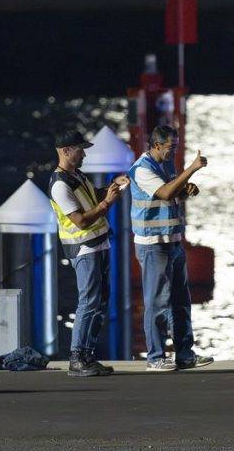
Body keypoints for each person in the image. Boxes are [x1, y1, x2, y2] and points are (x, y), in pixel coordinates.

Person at [127, 125, 214, 371]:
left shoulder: (165, 165)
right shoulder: (142, 169)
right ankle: (155, 358)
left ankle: (185, 354)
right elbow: (165, 193)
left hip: (172, 242)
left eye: (176, 147)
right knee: (157, 303)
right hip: (153, 245)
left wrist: (185, 191)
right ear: (156, 145)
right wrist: (192, 169)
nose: (174, 151)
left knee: (180, 302)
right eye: (170, 147)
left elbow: (172, 195)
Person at [49, 130, 128, 377]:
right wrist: (108, 203)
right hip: (84, 248)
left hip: (99, 245)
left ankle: (87, 355)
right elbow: (81, 221)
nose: (84, 154)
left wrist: (113, 186)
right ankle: (77, 359)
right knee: (89, 302)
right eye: (80, 150)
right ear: (66, 151)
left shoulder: (77, 175)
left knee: (99, 302)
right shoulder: (60, 185)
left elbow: (94, 197)